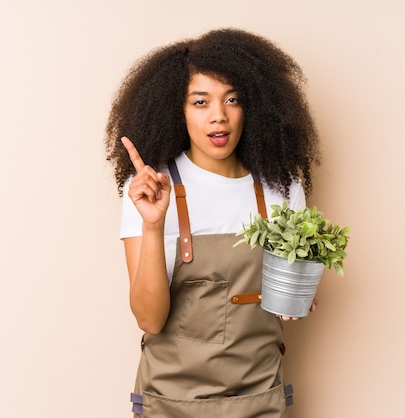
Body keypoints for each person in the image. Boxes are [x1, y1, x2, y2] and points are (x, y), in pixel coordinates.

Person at [105, 27, 321, 417]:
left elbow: (292, 293)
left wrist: (298, 295)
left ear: (253, 105)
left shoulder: (284, 187)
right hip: (170, 402)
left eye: (232, 99)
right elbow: (149, 320)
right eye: (200, 101)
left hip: (260, 396)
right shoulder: (149, 190)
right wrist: (153, 224)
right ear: (177, 110)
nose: (218, 115)